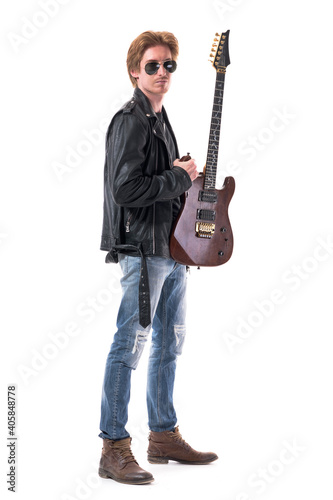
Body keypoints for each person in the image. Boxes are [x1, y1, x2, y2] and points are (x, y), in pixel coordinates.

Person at [99, 30, 218, 485]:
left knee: (171, 342)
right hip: (144, 253)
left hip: (171, 248)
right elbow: (126, 190)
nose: (162, 72)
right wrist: (176, 176)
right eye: (153, 65)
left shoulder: (159, 118)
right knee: (129, 347)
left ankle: (163, 435)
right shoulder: (130, 120)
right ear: (135, 71)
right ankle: (113, 447)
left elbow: (161, 184)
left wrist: (188, 178)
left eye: (169, 65)